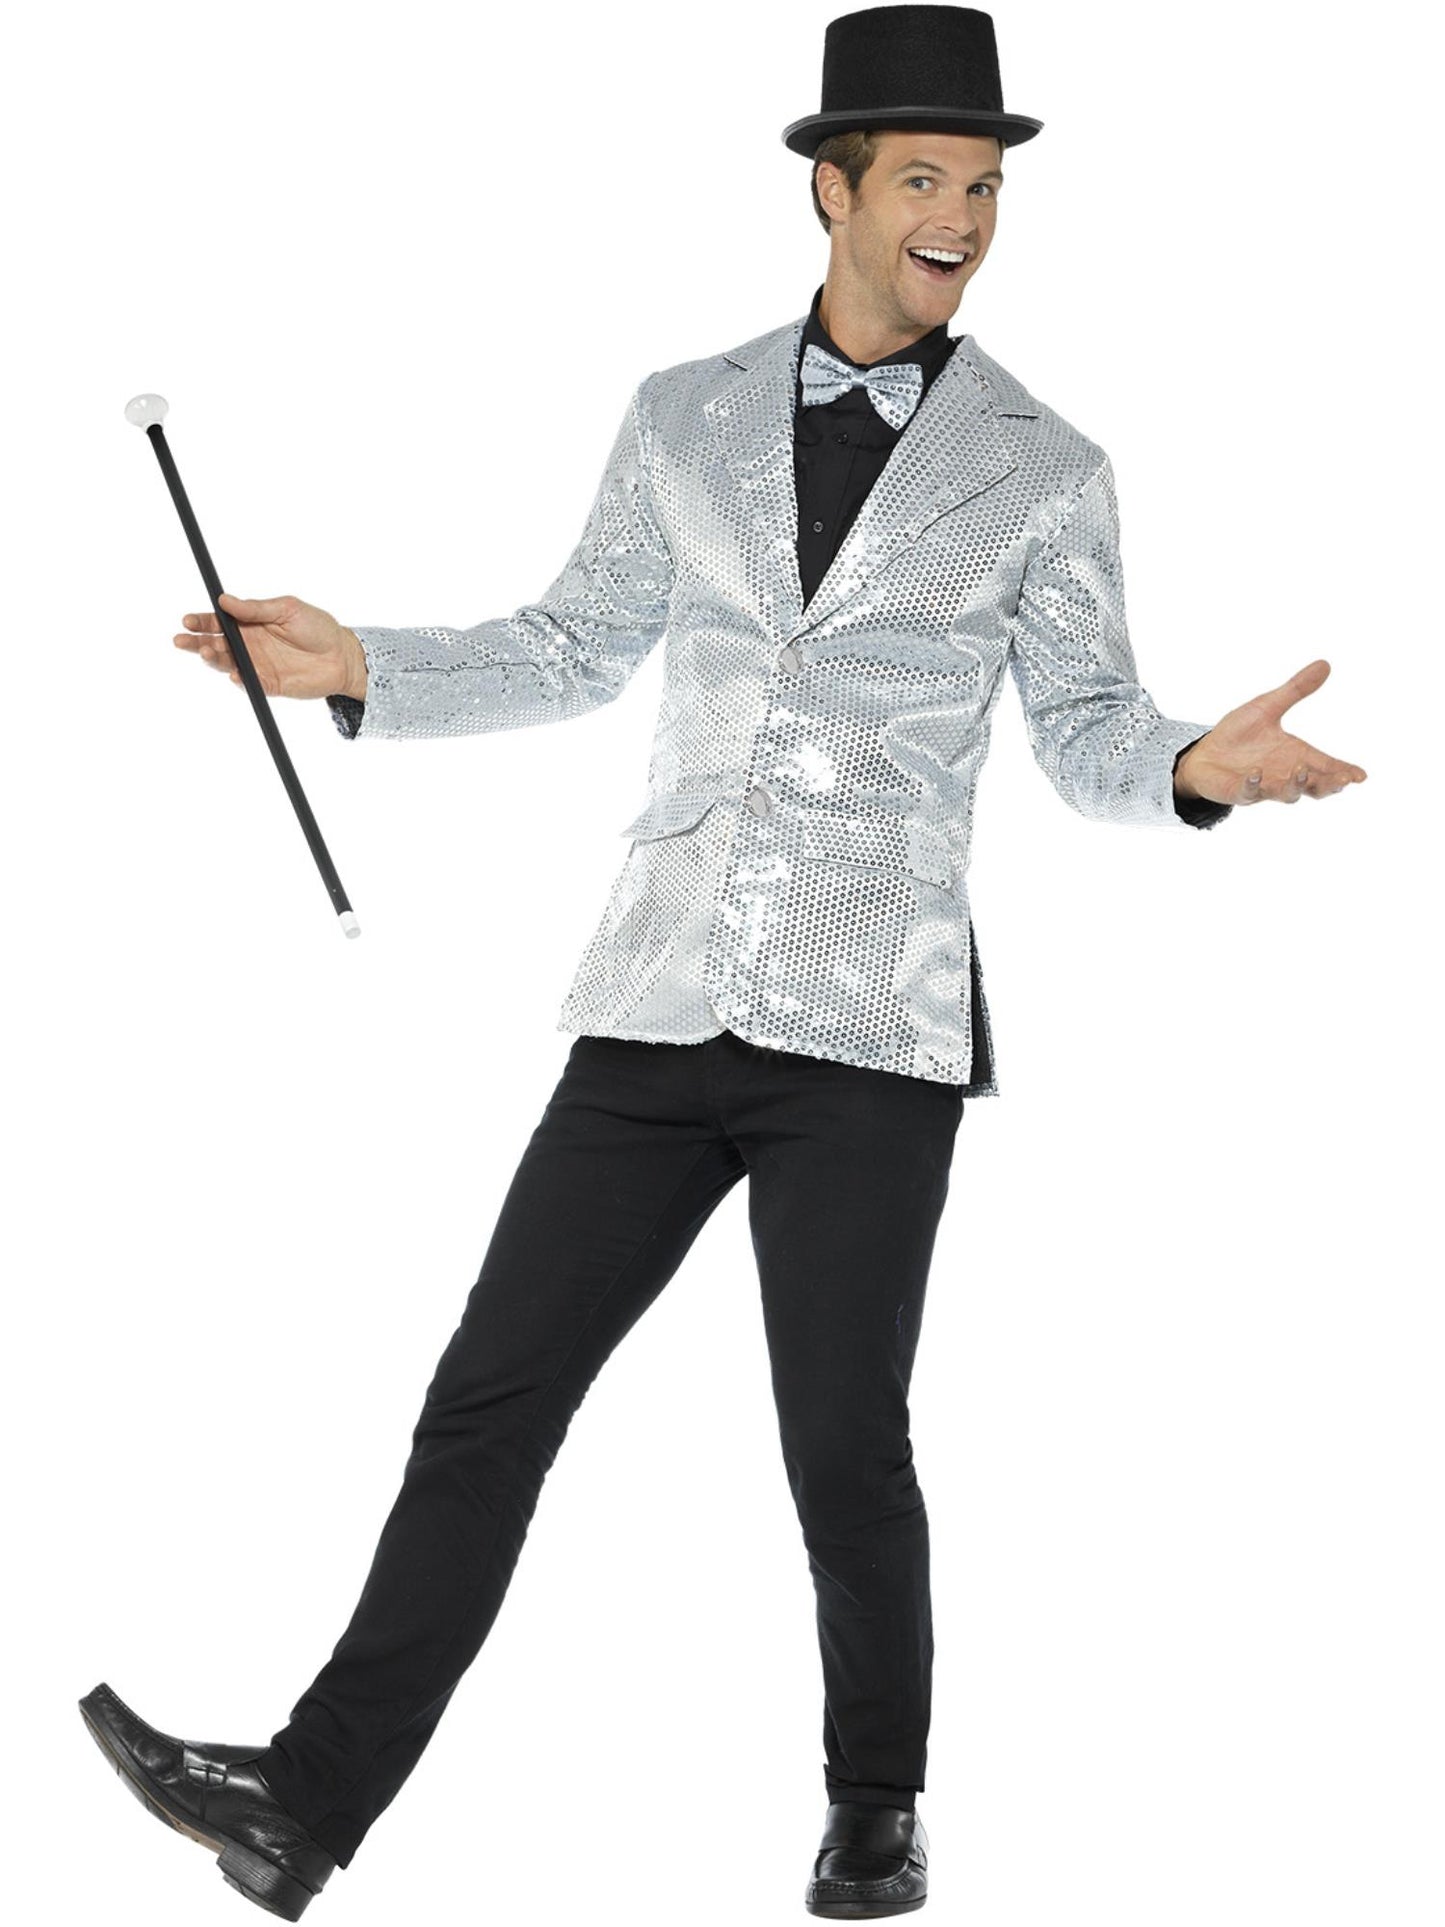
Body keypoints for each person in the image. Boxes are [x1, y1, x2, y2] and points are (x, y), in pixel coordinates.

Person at [79, 6, 1366, 1920]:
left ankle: (874, 1808)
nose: (959, 218)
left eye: (983, 187)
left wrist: (1191, 769)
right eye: (921, 179)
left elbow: (1093, 730)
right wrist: (364, 667)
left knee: (840, 1445)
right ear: (829, 190)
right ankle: (309, 1798)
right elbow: (572, 643)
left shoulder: (1047, 466)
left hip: (870, 1025)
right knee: (490, 1398)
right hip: (656, 992)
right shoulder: (681, 410)